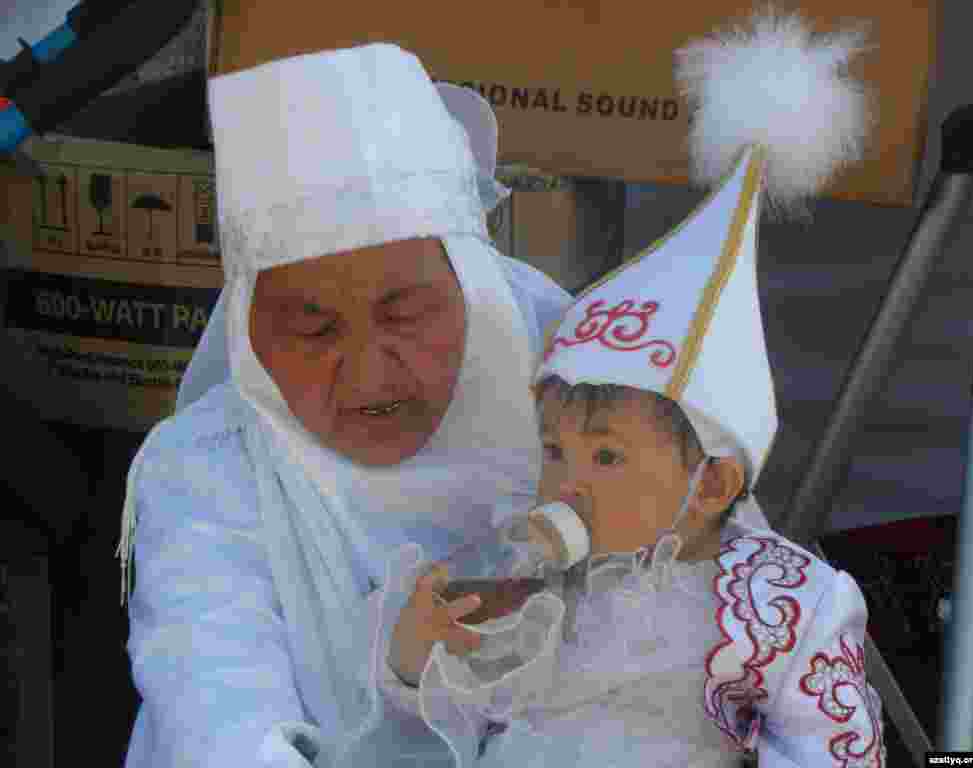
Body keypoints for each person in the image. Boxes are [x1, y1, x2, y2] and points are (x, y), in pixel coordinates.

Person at [380, 10, 885, 767]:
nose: (567, 481)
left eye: (607, 458)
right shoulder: (531, 572)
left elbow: (838, 752)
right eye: (555, 450)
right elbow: (457, 713)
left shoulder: (782, 605)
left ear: (710, 481)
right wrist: (421, 650)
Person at [116, 44, 574, 767]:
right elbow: (212, 695)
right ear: (249, 331)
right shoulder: (203, 472)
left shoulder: (584, 397)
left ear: (472, 292)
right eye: (313, 329)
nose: (367, 374)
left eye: (405, 315)